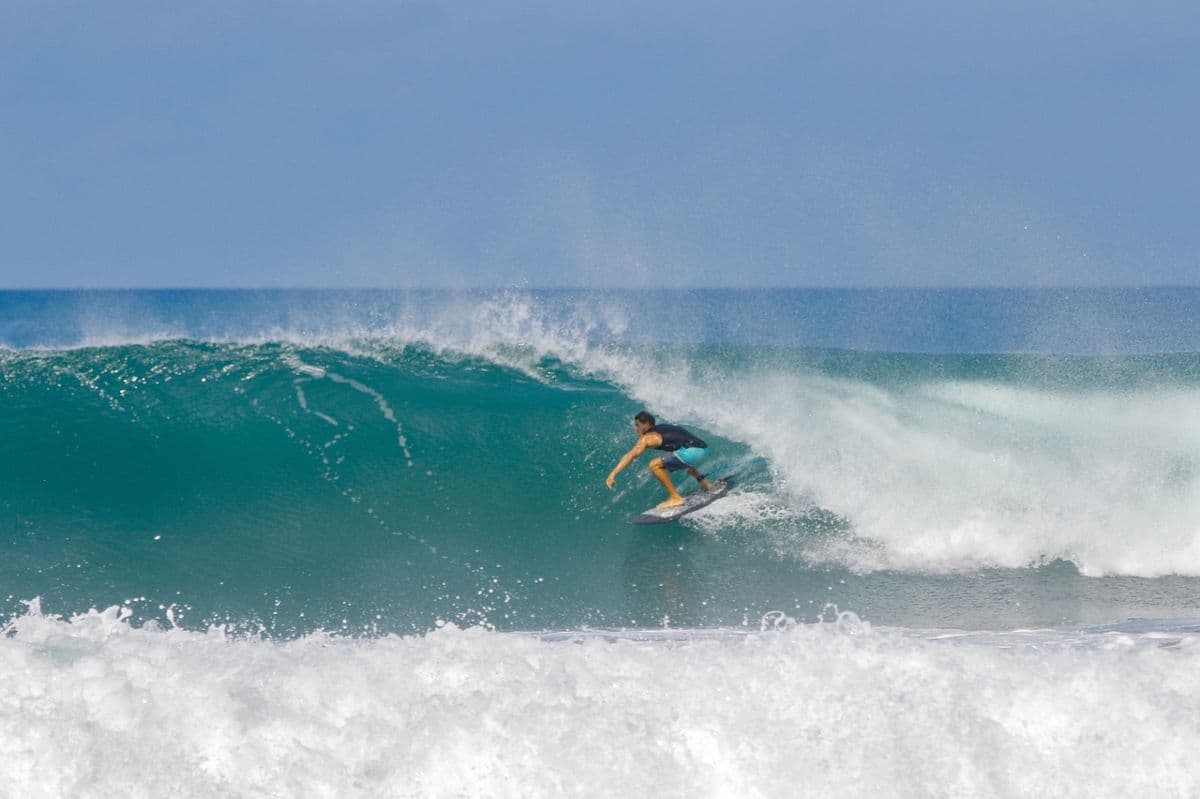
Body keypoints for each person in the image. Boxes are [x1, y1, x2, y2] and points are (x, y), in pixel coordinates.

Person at [606, 411, 713, 508]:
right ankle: (706, 484)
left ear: (646, 424)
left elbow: (631, 455)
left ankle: (675, 497)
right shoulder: (663, 428)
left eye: (638, 425)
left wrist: (613, 473)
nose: (636, 428)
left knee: (654, 465)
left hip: (691, 452)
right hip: (703, 449)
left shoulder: (647, 438)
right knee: (678, 457)